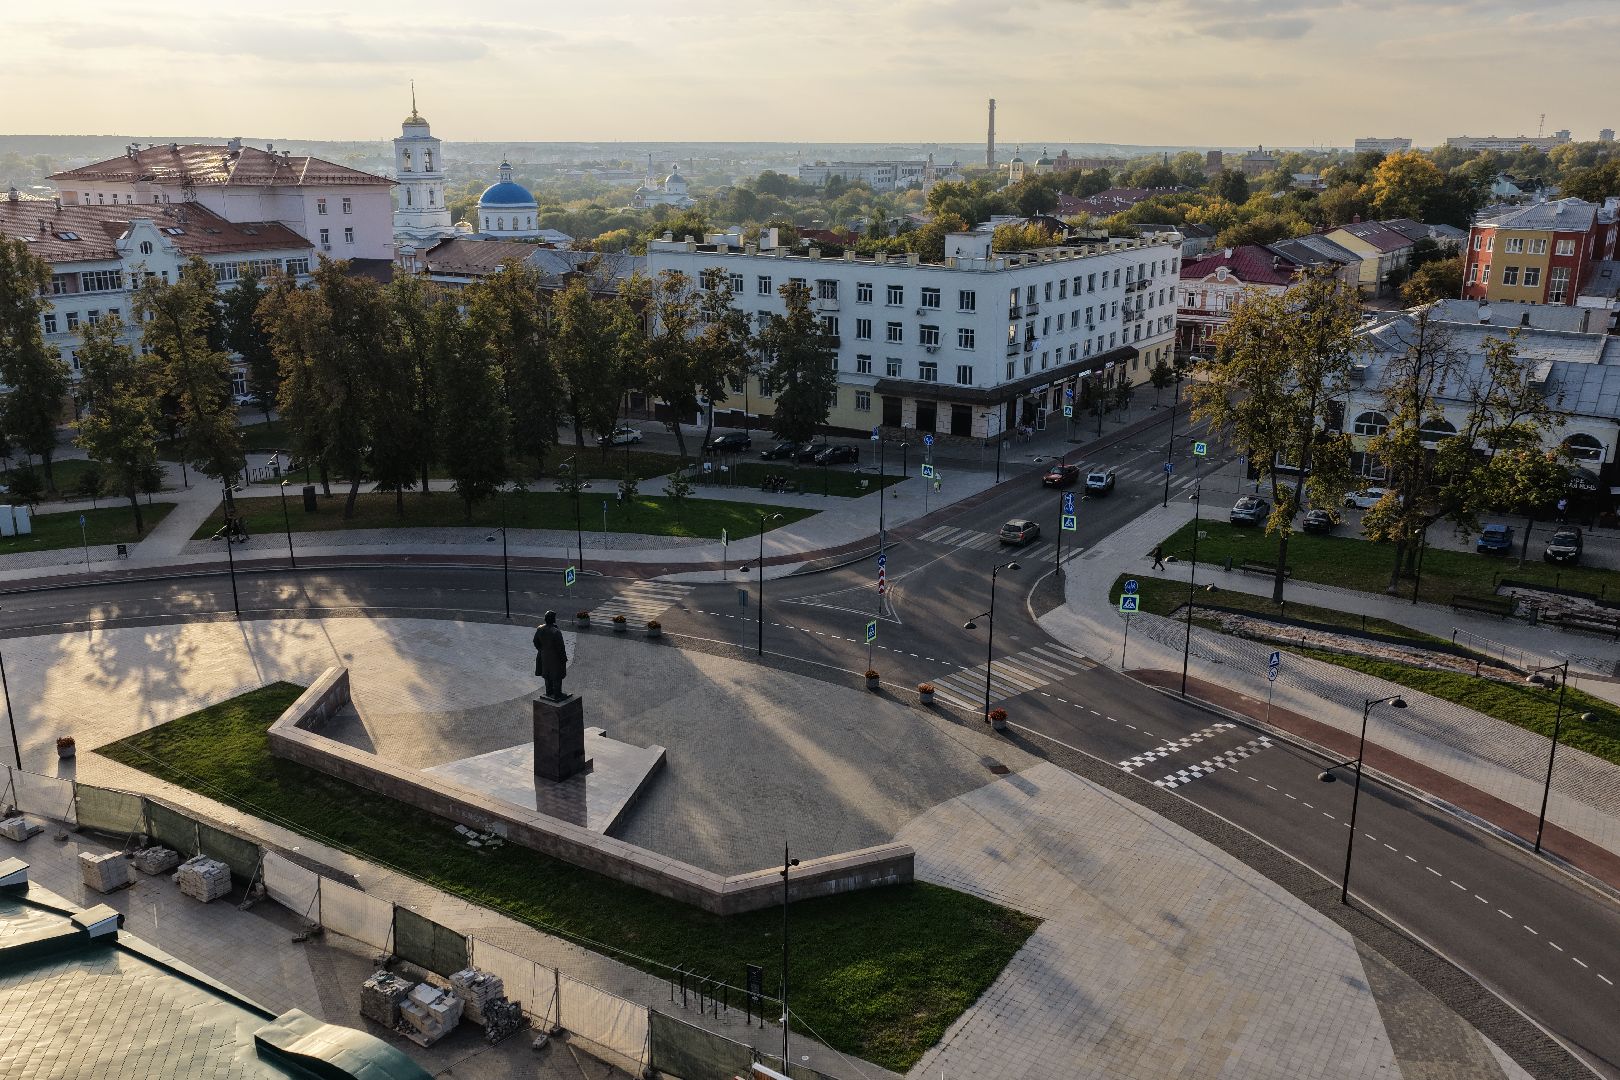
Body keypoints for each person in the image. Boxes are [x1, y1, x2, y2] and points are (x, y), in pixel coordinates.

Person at [534, 610, 569, 699]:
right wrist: (564, 658)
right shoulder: (556, 632)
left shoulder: (540, 629)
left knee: (547, 675)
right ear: (553, 619)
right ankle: (557, 694)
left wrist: (542, 650)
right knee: (557, 676)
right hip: (555, 658)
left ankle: (548, 692)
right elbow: (561, 648)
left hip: (544, 656)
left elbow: (535, 642)